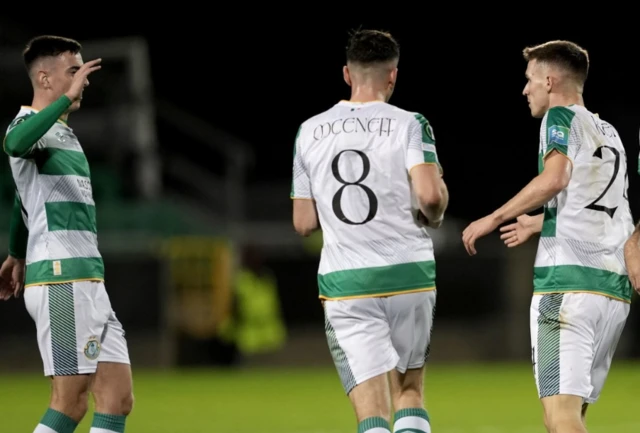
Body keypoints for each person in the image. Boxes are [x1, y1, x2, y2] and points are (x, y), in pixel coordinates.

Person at [462, 40, 632, 433]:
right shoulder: (609, 132)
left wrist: (494, 217)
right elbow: (606, 207)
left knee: (561, 419)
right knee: (567, 416)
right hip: (611, 290)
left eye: (530, 79)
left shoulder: (559, 117)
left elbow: (555, 178)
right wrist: (539, 223)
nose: (525, 89)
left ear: (550, 80)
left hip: (566, 287)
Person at [291, 29, 448, 433]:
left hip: (346, 283)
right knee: (409, 392)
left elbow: (303, 223)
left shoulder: (309, 131)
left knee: (371, 417)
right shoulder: (410, 123)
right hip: (409, 273)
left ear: (347, 73)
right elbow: (430, 198)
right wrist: (436, 209)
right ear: (393, 76)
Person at [0, 35, 134, 433]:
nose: (83, 81)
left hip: (88, 277)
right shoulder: (27, 124)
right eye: (73, 71)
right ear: (45, 78)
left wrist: (15, 253)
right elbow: (13, 143)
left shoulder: (63, 132)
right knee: (70, 403)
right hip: (62, 278)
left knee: (117, 399)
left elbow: (23, 202)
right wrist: (63, 101)